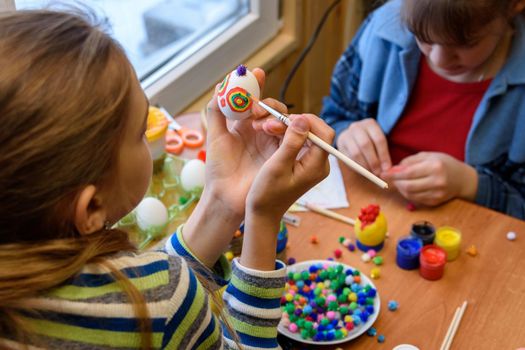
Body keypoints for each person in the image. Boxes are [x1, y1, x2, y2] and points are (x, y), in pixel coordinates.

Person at [0, 9, 334, 349]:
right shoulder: (164, 305)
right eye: (141, 131)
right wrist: (262, 217)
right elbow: (161, 301)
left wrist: (221, 202)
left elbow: (149, 286)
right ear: (91, 207)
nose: (148, 137)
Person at [321, 0, 525, 219]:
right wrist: (344, 134)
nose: (438, 59)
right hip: (369, 206)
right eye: (423, 36)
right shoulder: (384, 28)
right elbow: (332, 117)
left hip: (474, 230)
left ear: (514, 5)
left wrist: (470, 184)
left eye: (465, 43)